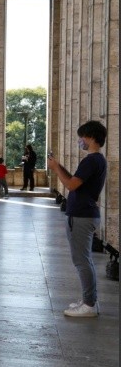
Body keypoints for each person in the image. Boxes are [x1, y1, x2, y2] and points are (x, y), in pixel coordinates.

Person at [48, 120, 107, 318]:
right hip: (85, 213)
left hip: (81, 215)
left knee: (81, 261)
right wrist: (59, 166)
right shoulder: (97, 160)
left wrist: (56, 170)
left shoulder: (91, 161)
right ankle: (89, 299)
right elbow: (76, 181)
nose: (80, 140)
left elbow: (71, 186)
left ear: (90, 137)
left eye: (82, 136)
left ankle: (89, 304)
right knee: (84, 260)